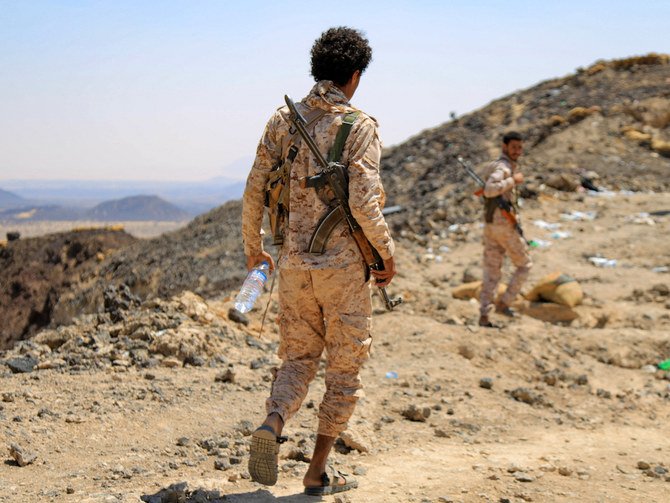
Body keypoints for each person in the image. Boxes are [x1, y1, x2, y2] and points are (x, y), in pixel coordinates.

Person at [241, 26, 396, 496]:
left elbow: (253, 188)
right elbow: (366, 202)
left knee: (297, 358)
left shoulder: (281, 121)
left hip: (292, 266)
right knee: (344, 369)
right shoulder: (359, 125)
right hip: (344, 270)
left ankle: (272, 422)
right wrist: (386, 255)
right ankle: (317, 471)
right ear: (355, 76)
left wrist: (254, 248)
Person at [478, 131, 532, 327]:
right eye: (514, 147)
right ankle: (504, 303)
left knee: (492, 272)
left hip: (491, 225)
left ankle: (484, 314)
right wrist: (513, 181)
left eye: (520, 147)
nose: (517, 151)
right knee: (524, 265)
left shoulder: (496, 165)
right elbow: (490, 189)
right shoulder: (503, 168)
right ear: (505, 147)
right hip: (503, 226)